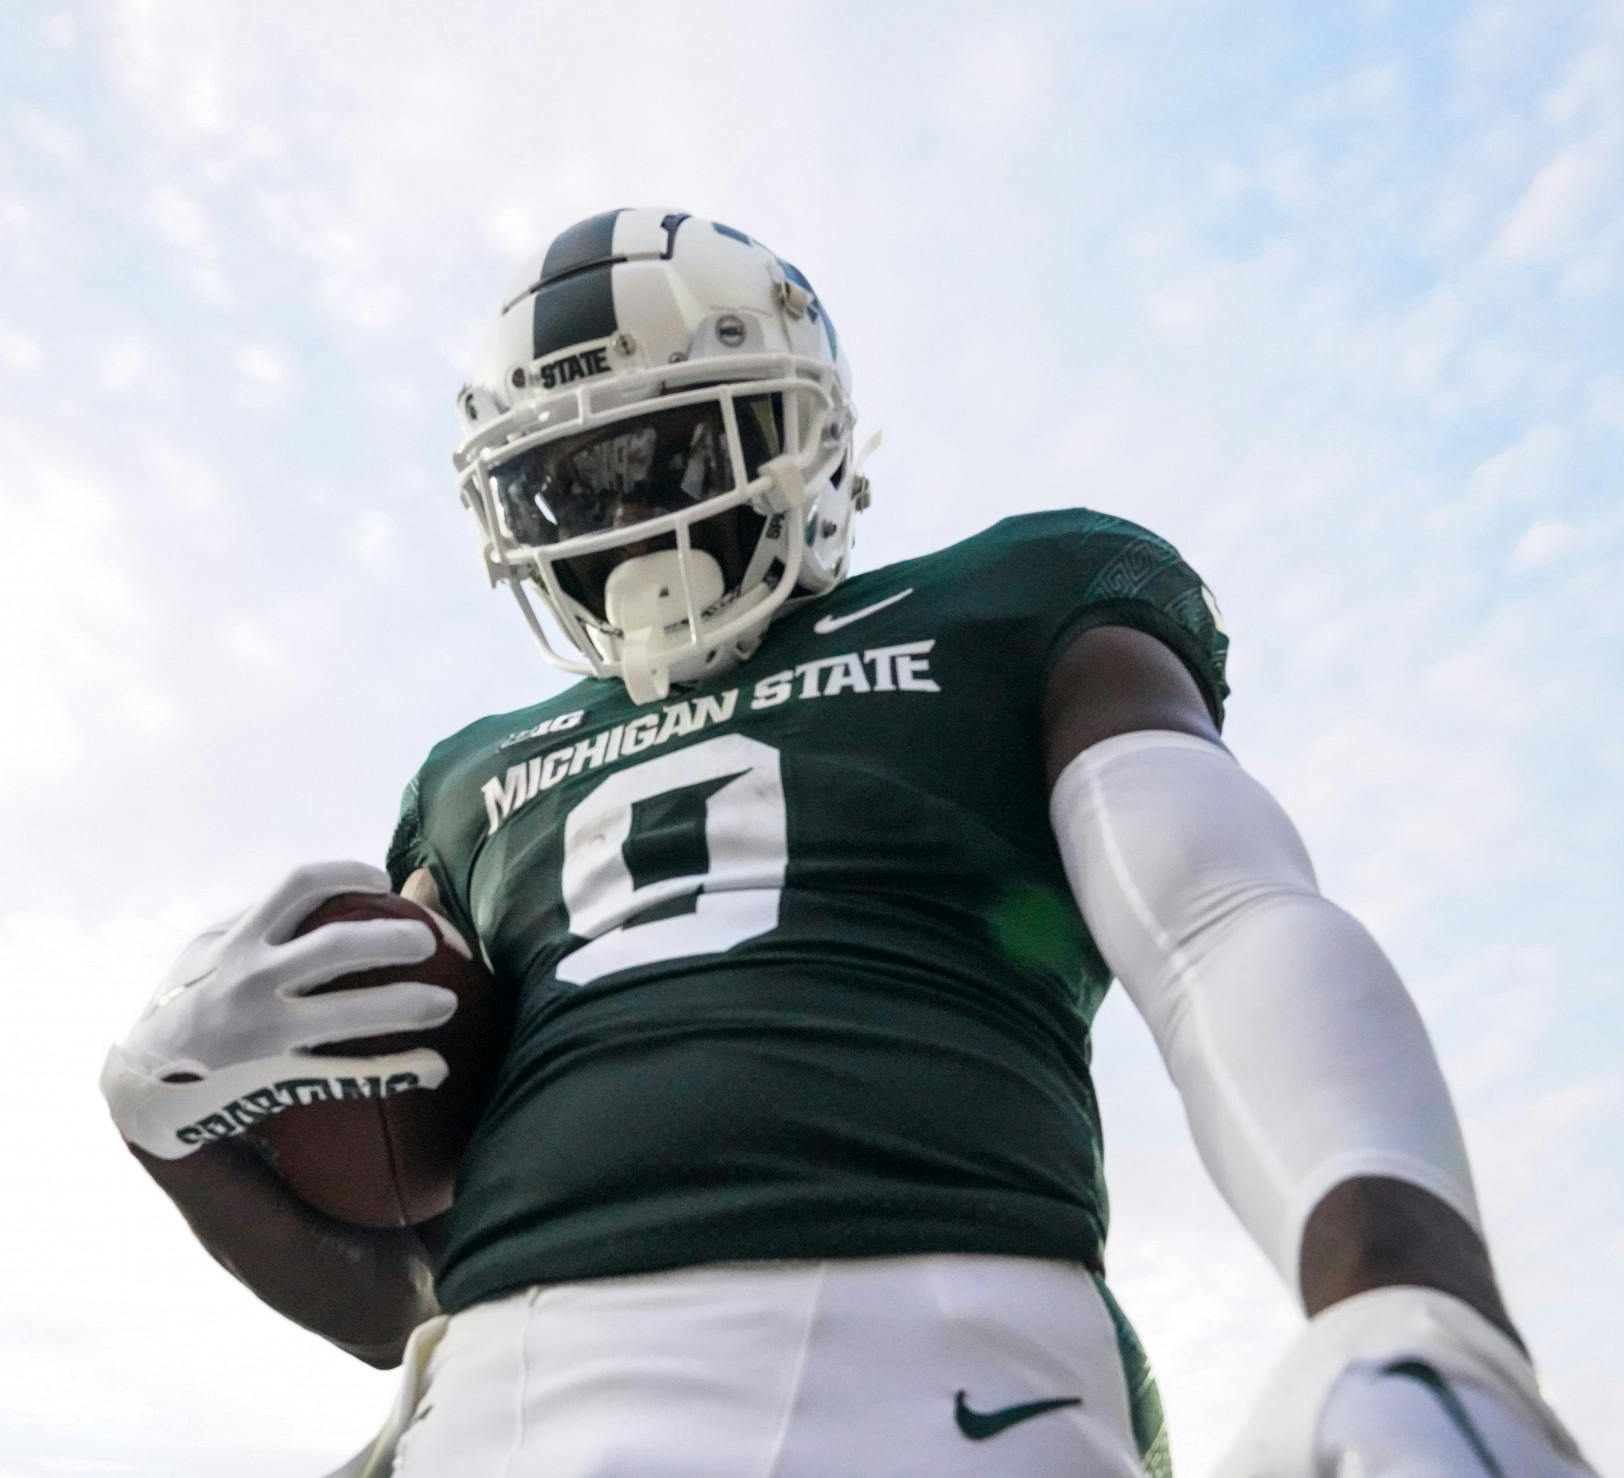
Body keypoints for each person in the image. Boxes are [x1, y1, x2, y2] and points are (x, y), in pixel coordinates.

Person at [99, 209, 1593, 1476]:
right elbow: (401, 1284)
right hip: (497, 1381)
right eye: (573, 481)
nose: (623, 517)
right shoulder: (472, 777)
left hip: (916, 1336)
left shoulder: (1010, 601)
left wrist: (1396, 1285)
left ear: (799, 421)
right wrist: (173, 1125)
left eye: (668, 446)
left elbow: (1219, 917)